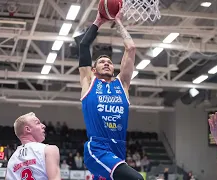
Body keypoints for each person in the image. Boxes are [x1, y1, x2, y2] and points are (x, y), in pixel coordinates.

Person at [78, 3, 143, 180]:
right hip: (98, 149)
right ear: (93, 69)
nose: (106, 63)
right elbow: (84, 46)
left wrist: (118, 22)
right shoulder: (89, 82)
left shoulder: (122, 84)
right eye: (101, 62)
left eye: (109, 62)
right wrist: (98, 20)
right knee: (137, 179)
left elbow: (131, 49)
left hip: (119, 149)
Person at [5, 112, 61, 180]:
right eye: (38, 123)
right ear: (28, 129)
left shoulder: (11, 161)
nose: (43, 126)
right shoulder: (49, 150)